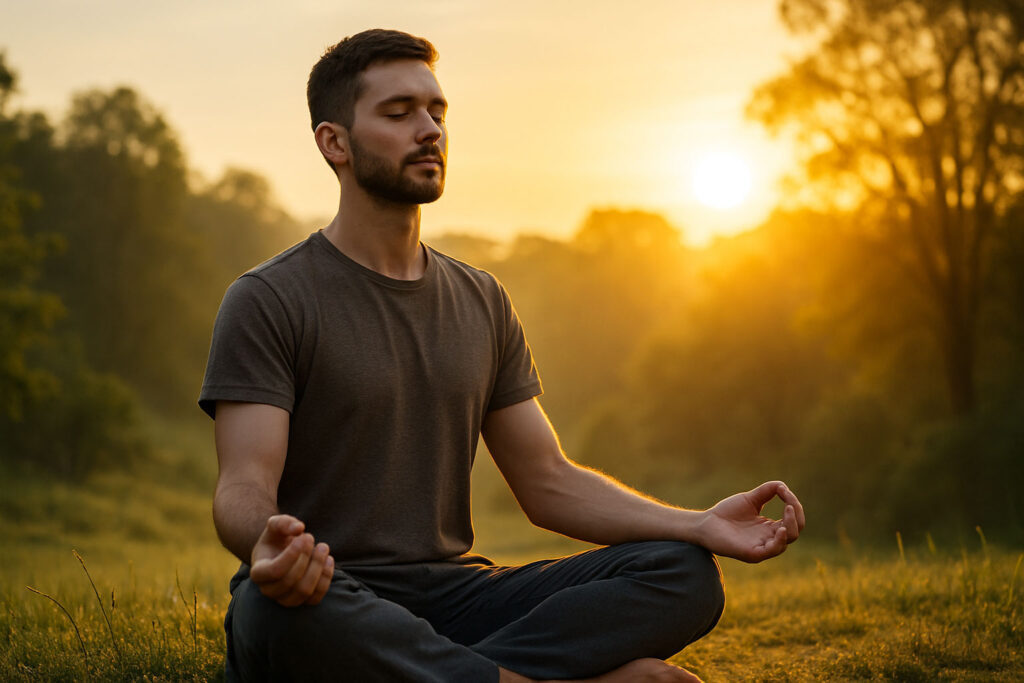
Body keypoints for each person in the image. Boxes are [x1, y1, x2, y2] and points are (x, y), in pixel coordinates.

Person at [199, 28, 806, 683]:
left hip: (458, 601)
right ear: (334, 142)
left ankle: (457, 674)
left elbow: (547, 480)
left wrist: (700, 524)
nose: (429, 129)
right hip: (330, 594)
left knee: (681, 570)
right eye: (399, 113)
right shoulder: (269, 298)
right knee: (270, 608)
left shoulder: (480, 298)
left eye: (437, 111)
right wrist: (266, 538)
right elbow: (243, 483)